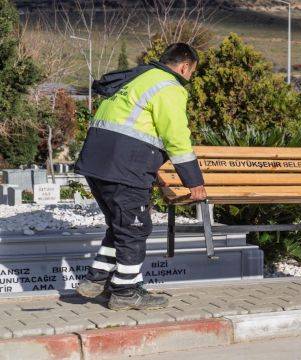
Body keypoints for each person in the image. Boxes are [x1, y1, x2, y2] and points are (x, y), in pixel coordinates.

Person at [73, 43, 207, 310]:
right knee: (135, 229)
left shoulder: (138, 78)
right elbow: (177, 138)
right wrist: (194, 182)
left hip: (97, 163)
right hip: (125, 167)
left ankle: (95, 279)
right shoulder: (169, 87)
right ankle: (125, 291)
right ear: (184, 66)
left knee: (121, 226)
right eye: (191, 71)